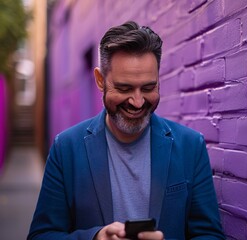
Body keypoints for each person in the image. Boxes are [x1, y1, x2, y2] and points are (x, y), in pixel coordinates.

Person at [28, 21, 225, 240]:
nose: (138, 102)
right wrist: (95, 238)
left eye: (149, 88)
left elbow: (210, 235)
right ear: (100, 80)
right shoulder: (66, 148)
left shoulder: (191, 146)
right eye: (124, 88)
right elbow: (41, 235)